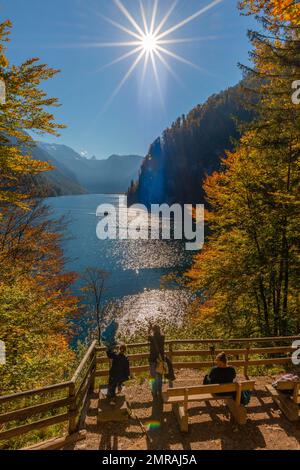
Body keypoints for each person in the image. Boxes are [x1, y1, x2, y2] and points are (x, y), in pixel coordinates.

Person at [148, 323, 165, 401]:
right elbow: (163, 333)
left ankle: (154, 392)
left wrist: (150, 329)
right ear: (159, 330)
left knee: (152, 376)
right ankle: (160, 391)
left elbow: (148, 335)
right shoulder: (162, 337)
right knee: (159, 376)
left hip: (152, 360)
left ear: (153, 330)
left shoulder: (152, 338)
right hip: (160, 360)